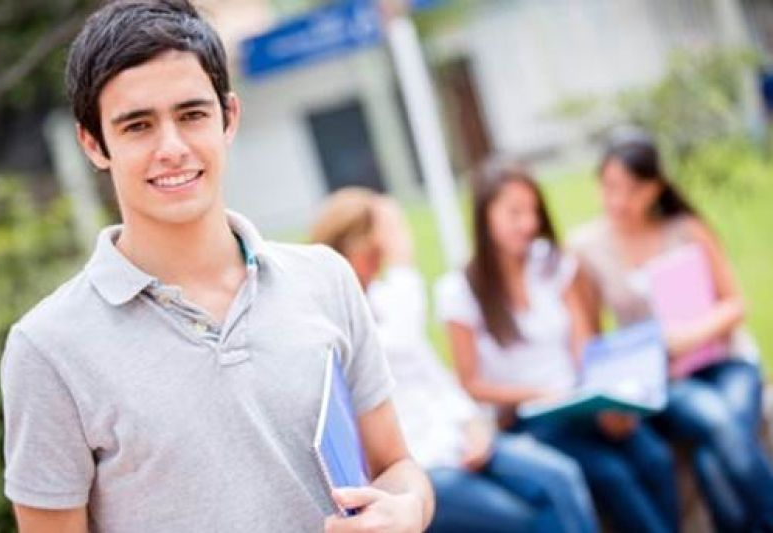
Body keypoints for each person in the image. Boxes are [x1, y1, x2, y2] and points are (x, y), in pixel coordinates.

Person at [0, 2, 433, 532]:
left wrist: (407, 507)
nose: (172, 148)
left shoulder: (326, 279)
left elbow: (396, 466)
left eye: (191, 114)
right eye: (138, 125)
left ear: (229, 117)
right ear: (93, 143)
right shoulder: (46, 349)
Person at [310, 187, 598, 533]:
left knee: (561, 477)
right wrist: (402, 262)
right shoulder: (336, 320)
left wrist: (473, 424)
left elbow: (438, 379)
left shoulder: (386, 299)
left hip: (459, 440)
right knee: (520, 520)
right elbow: (397, 342)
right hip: (424, 465)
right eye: (380, 241)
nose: (384, 252)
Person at [435, 157, 679, 533]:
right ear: (486, 216)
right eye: (515, 213)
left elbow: (584, 344)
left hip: (581, 401)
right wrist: (541, 394)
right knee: (613, 475)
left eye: (532, 211)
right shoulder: (460, 290)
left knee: (655, 458)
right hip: (531, 419)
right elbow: (470, 382)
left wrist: (605, 398)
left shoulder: (550, 262)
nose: (528, 224)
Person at [569, 128, 773, 532]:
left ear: (654, 188)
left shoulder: (686, 230)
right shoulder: (588, 248)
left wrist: (688, 336)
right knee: (716, 423)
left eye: (631, 190)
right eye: (609, 187)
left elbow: (735, 304)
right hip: (663, 380)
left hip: (726, 363)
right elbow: (588, 338)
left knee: (712, 457)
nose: (618, 201)